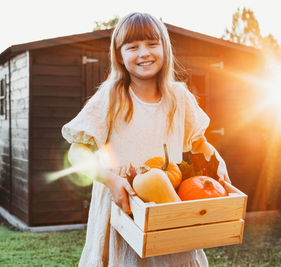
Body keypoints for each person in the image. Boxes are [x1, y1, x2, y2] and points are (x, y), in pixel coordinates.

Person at [62, 12, 230, 266]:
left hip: (167, 202)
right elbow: (76, 153)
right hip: (123, 209)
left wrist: (218, 162)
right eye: (133, 47)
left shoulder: (179, 98)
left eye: (152, 44)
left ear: (165, 48)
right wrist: (110, 180)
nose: (144, 54)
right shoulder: (110, 98)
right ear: (119, 55)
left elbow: (199, 143)